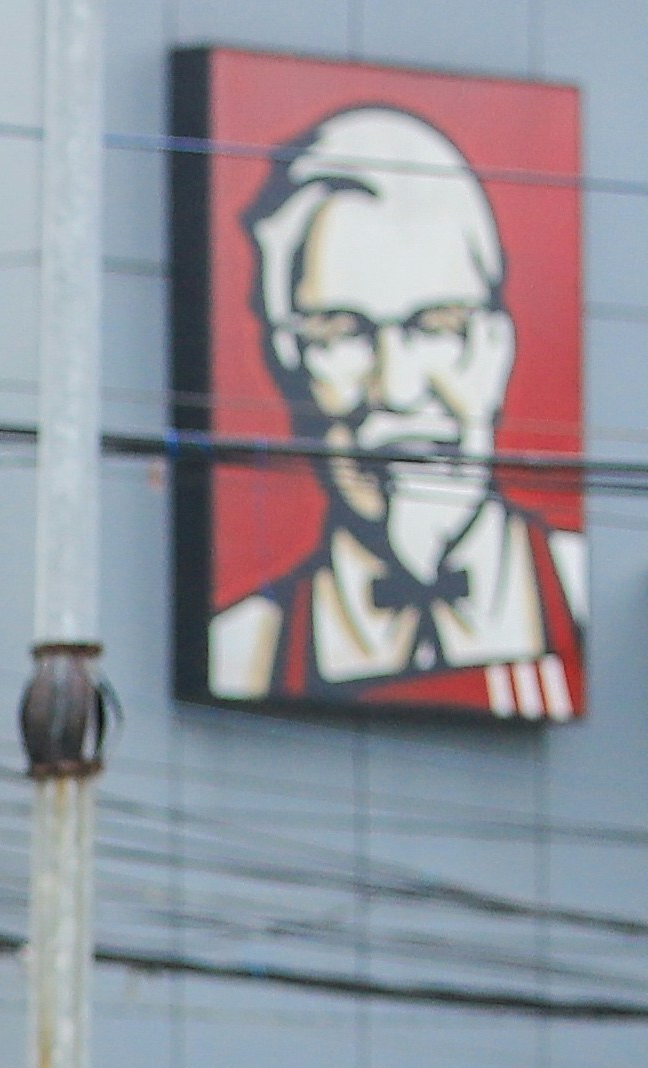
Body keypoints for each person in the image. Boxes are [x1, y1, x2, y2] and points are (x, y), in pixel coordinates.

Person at [200, 102, 588, 720]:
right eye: (344, 333)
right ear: (287, 358)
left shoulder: (589, 600)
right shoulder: (241, 649)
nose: (399, 389)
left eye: (437, 327)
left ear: (497, 347)